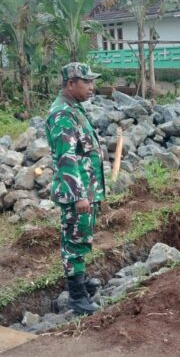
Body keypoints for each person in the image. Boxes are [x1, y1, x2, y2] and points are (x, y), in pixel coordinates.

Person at [46, 62, 106, 316]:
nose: (92, 87)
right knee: (73, 241)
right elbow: (66, 158)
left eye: (92, 82)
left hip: (86, 189)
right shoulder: (62, 115)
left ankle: (80, 280)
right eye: (87, 82)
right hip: (76, 193)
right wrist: (79, 195)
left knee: (82, 237)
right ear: (71, 84)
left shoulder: (75, 108)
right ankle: (77, 297)